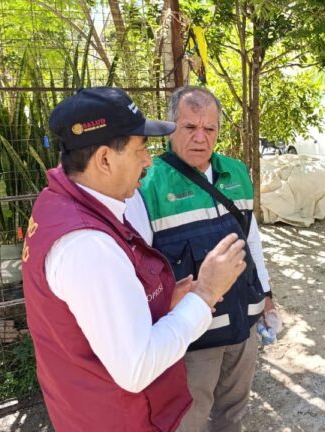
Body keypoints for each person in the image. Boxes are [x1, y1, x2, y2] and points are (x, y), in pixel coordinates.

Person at [22, 87, 248, 431]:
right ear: (104, 159)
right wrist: (205, 293)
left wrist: (163, 305)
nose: (147, 160)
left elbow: (103, 316)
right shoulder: (88, 245)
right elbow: (136, 366)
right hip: (115, 417)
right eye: (140, 149)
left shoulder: (60, 205)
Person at [125, 85, 276, 432]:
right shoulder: (146, 184)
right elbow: (141, 271)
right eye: (190, 127)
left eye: (210, 129)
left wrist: (266, 297)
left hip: (244, 323)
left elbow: (252, 241)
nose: (201, 138)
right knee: (190, 418)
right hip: (193, 335)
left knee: (234, 413)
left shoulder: (236, 173)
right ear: (169, 126)